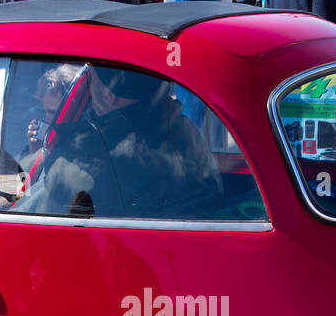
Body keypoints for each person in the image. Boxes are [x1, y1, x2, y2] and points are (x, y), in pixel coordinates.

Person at [16, 66, 221, 219]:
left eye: (92, 79)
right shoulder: (182, 130)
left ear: (108, 94)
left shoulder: (89, 156)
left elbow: (36, 213)